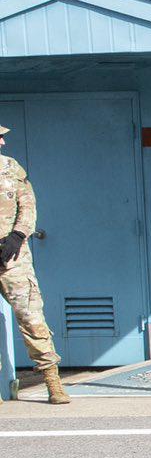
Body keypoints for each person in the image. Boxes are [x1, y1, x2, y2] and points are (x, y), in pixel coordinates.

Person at [0, 123, 66, 404]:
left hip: (13, 257)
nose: (3, 143)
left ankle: (53, 383)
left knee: (32, 318)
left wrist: (17, 235)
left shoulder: (11, 168)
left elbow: (28, 205)